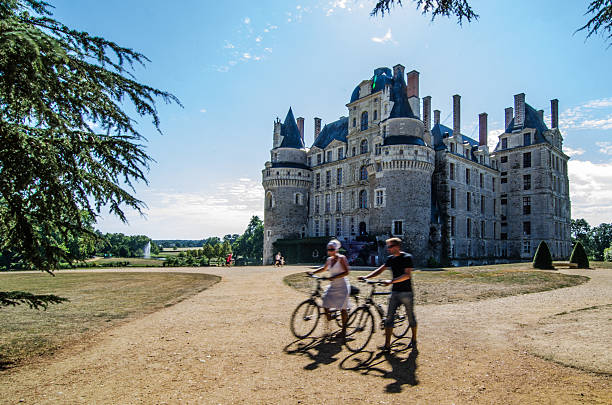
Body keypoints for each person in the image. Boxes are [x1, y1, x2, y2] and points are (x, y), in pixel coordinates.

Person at [358, 237, 417, 352]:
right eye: (388, 246)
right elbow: (380, 270)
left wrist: (391, 281)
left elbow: (407, 275)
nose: (388, 249)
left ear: (397, 247)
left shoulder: (407, 258)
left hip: (406, 292)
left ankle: (414, 338)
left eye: (390, 246)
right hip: (395, 292)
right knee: (389, 318)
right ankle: (387, 345)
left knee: (411, 317)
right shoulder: (390, 259)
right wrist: (366, 277)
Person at [308, 239, 351, 341]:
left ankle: (344, 331)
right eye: (328, 249)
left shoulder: (342, 258)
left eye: (332, 249)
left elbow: (347, 272)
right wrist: (313, 272)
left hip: (342, 286)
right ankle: (330, 319)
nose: (330, 251)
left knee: (343, 309)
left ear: (336, 249)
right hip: (333, 285)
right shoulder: (329, 259)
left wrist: (335, 277)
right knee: (325, 303)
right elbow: (323, 268)